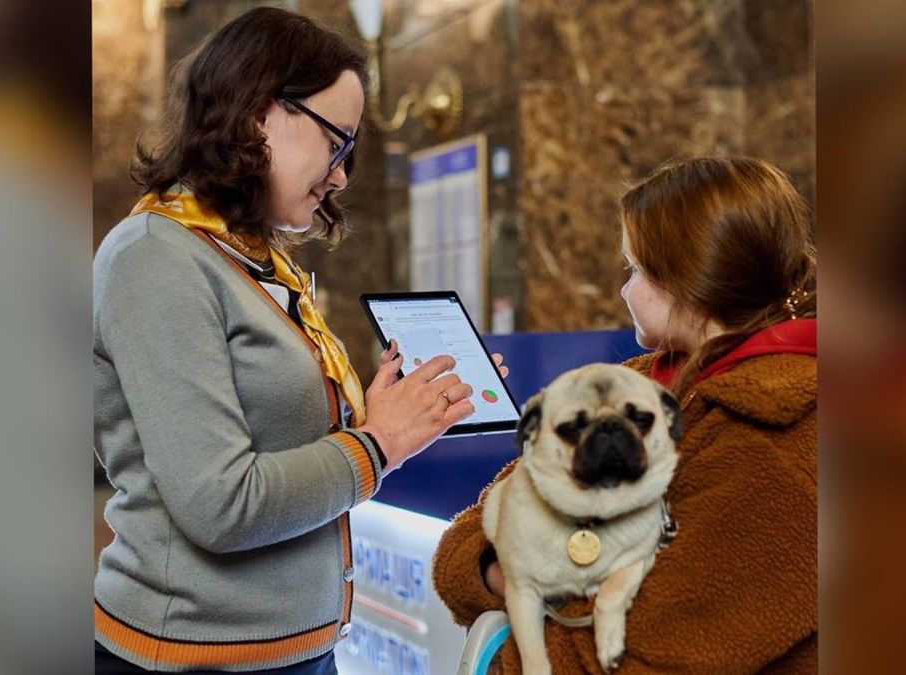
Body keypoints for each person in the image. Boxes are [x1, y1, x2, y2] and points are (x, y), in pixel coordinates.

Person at [93, 8, 499, 673]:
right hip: (193, 657)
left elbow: (279, 442)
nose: (341, 175)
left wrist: (388, 415)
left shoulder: (252, 260)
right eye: (337, 142)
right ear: (260, 115)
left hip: (296, 650)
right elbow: (222, 504)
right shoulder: (154, 258)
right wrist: (379, 442)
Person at [432, 156, 818, 673]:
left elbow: (637, 658)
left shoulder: (780, 438)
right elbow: (477, 532)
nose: (623, 289)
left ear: (687, 278)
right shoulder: (637, 384)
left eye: (634, 269)